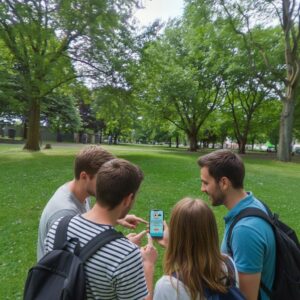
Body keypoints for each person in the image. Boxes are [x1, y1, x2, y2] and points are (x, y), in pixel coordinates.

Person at [45, 158, 157, 299]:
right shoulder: (126, 255)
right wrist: (148, 264)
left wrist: (119, 246)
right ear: (128, 199)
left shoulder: (59, 226)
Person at [37, 145, 147, 260]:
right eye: (101, 178)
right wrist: (122, 249)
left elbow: (87, 229)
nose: (106, 182)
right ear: (84, 176)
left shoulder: (81, 194)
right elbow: (72, 265)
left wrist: (116, 219)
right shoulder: (64, 212)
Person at [197, 149, 276, 300]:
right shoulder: (254, 203)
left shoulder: (245, 230)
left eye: (206, 183)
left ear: (224, 183)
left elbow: (245, 297)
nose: (202, 189)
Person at [153, 197, 239, 300]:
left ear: (175, 234)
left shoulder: (168, 286)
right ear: (211, 231)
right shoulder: (228, 264)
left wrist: (148, 267)